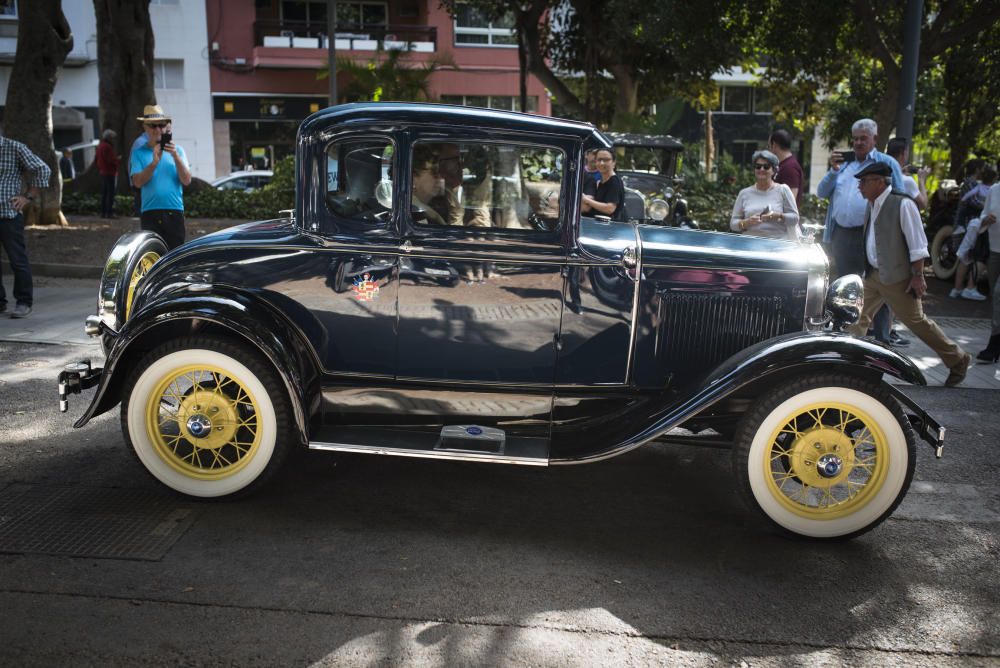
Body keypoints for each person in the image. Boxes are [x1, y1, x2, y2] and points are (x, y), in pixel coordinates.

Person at [846, 162, 971, 387]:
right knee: (856, 316)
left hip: (898, 277)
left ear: (880, 182)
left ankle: (958, 359)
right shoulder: (871, 204)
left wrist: (917, 275)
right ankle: (850, 364)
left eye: (864, 182)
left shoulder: (902, 204)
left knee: (916, 321)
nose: (860, 187)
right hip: (874, 275)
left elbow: (917, 245)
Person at [818, 118, 906, 279]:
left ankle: (873, 306)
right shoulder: (843, 165)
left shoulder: (887, 163)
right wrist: (833, 171)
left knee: (869, 281)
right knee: (843, 281)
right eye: (855, 138)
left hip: (870, 232)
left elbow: (899, 198)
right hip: (841, 233)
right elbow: (821, 193)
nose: (858, 142)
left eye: (863, 138)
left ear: (875, 139)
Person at [0, 133, 51, 319]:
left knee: (17, 261)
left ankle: (23, 302)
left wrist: (27, 197)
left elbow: (43, 169)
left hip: (9, 214)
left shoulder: (14, 148)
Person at [130, 105, 191, 250]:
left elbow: (187, 180)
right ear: (145, 127)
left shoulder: (179, 151)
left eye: (161, 125)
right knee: (152, 256)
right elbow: (137, 183)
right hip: (150, 212)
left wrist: (175, 156)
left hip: (174, 211)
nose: (158, 129)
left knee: (175, 256)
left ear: (166, 127)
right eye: (153, 125)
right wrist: (154, 163)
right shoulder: (138, 152)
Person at [730, 149, 799, 241]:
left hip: (778, 245)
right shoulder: (744, 193)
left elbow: (795, 218)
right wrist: (747, 222)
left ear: (774, 171)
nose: (761, 169)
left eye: (766, 167)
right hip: (749, 244)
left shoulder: (783, 190)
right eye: (758, 166)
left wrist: (778, 216)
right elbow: (733, 224)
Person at [949, 165, 996, 301]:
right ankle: (970, 288)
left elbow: (964, 198)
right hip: (983, 225)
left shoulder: (977, 187)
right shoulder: (993, 190)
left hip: (972, 224)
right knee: (981, 257)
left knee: (965, 255)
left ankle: (956, 289)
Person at [976, 174, 1000, 362]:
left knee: (999, 294)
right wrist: (986, 220)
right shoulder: (994, 190)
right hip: (995, 251)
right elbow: (982, 216)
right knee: (996, 298)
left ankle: (993, 345)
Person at [581, 148, 625, 221]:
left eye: (606, 160)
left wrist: (586, 200)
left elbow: (610, 209)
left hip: (610, 227)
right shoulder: (601, 181)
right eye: (599, 160)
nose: (601, 163)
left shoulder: (614, 181)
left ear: (614, 162)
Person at [885, 137, 929, 210]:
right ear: (904, 153)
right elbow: (923, 204)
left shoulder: (881, 176)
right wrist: (921, 179)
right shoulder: (907, 181)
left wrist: (900, 172)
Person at [768, 129, 803, 207]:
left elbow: (791, 200)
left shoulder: (790, 167)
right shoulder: (782, 165)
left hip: (783, 217)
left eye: (769, 146)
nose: (769, 150)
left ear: (774, 145)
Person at [95, 129, 120, 219]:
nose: (113, 139)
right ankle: (109, 213)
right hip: (109, 172)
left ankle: (103, 212)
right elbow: (110, 160)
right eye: (112, 138)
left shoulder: (100, 146)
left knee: (105, 193)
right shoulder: (107, 147)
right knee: (110, 193)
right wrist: (117, 160)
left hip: (103, 172)